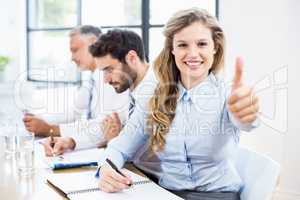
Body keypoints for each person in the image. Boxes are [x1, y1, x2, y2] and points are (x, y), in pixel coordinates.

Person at [95, 8, 260, 200]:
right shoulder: (155, 95)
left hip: (218, 195)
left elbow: (246, 121)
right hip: (165, 194)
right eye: (182, 45)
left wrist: (247, 113)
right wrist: (105, 169)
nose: (192, 53)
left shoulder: (228, 94)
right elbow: (121, 147)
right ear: (172, 49)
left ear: (214, 47)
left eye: (202, 44)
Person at [23, 25, 128, 154]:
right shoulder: (91, 79)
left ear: (93, 43)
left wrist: (51, 129)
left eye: (75, 50)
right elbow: (74, 112)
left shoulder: (112, 79)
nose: (72, 58)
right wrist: (39, 118)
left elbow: (104, 126)